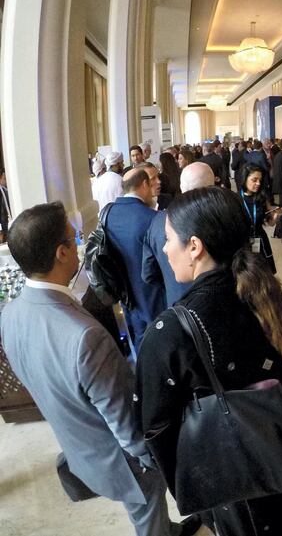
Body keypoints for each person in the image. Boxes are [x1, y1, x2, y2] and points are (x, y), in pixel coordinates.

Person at [1, 202, 199, 536]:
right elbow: (126, 425)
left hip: (81, 447)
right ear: (62, 253)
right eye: (74, 237)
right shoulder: (85, 337)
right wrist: (156, 460)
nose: (80, 243)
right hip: (122, 462)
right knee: (147, 514)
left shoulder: (11, 313)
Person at [136, 187, 282, 535]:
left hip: (232, 483)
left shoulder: (170, 333)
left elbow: (156, 430)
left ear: (194, 246)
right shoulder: (268, 294)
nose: (165, 250)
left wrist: (193, 492)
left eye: (168, 239)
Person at [105, 168, 166, 355]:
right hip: (154, 297)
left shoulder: (108, 214)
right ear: (144, 184)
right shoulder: (153, 218)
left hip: (127, 298)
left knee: (139, 345)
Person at [142, 162, 216, 309]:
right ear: (212, 186)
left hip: (178, 306)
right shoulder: (225, 216)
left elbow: (148, 274)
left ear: (182, 187)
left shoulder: (158, 221)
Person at [238, 162, 280, 274]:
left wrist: (276, 215)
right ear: (245, 178)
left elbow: (270, 223)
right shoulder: (236, 199)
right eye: (254, 180)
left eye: (260, 180)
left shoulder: (262, 197)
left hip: (260, 241)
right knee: (249, 275)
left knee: (265, 274)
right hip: (244, 243)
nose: (258, 183)